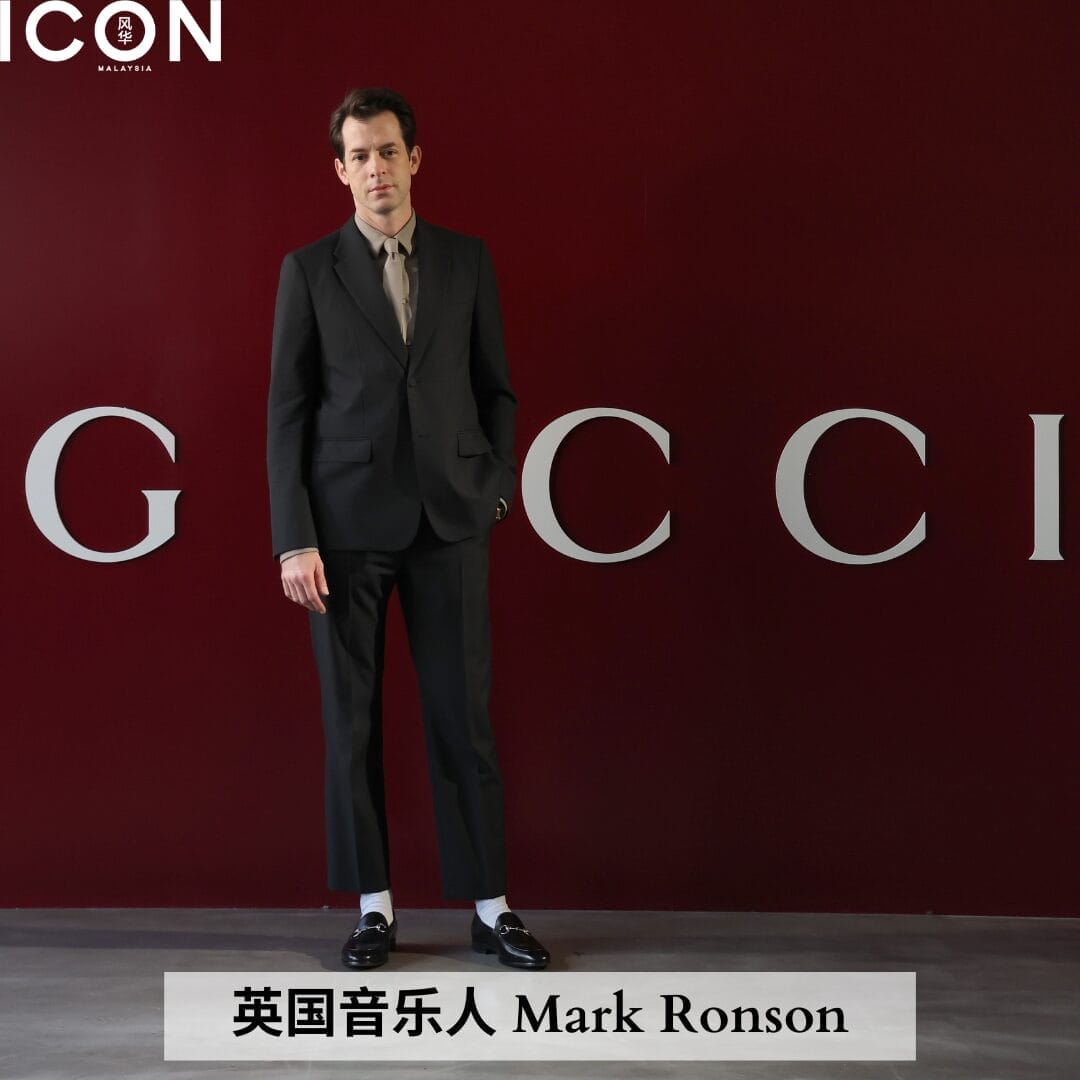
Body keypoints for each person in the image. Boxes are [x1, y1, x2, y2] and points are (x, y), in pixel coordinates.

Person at [266, 87, 548, 971]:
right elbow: (287, 411)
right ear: (340, 170)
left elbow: (497, 388)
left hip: (451, 520)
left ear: (414, 159)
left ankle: (492, 908)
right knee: (350, 723)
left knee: (465, 717)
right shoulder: (309, 271)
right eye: (359, 155)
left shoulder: (467, 260)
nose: (376, 168)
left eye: (388, 151)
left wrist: (493, 489)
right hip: (343, 529)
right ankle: (373, 910)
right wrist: (294, 537)